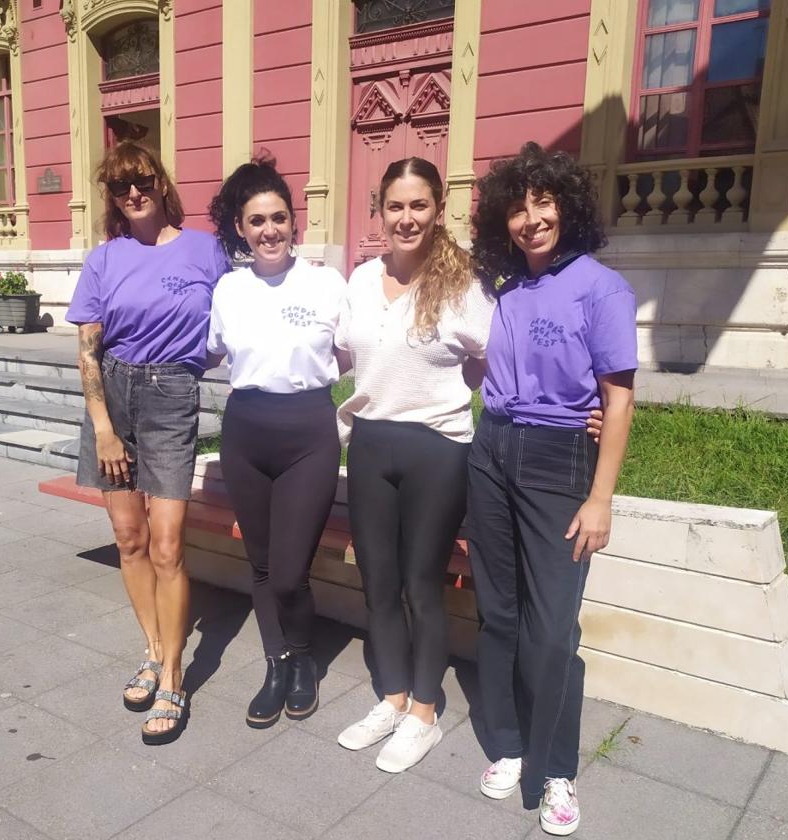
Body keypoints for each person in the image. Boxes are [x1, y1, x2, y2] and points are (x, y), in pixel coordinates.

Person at [467, 142, 637, 836]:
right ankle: (508, 745)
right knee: (500, 612)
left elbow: (619, 401)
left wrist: (600, 498)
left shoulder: (602, 287)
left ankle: (558, 767)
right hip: (493, 449)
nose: (531, 219)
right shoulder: (507, 291)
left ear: (566, 206)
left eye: (543, 203)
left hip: (559, 460)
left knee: (551, 628)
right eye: (517, 207)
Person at [333, 157, 496, 773]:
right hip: (371, 443)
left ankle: (424, 711)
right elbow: (344, 357)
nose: (406, 218)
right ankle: (392, 696)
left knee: (421, 586)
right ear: (380, 210)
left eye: (418, 206)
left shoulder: (463, 285)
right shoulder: (359, 280)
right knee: (377, 582)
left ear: (437, 210)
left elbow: (493, 364)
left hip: (438, 446)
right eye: (395, 206)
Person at [66, 141, 229, 746]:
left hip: (170, 397)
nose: (131, 192)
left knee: (166, 547)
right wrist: (104, 427)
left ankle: (174, 675)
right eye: (118, 186)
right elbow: (87, 348)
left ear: (161, 182)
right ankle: (155, 648)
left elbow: (232, 319)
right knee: (129, 540)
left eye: (140, 180)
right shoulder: (104, 259)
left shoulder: (205, 249)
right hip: (114, 396)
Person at [205, 158, 346, 728]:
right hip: (246, 430)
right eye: (257, 220)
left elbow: (364, 350)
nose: (269, 230)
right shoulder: (230, 289)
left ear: (295, 222)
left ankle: (305, 658)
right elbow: (210, 351)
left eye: (279, 218)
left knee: (290, 571)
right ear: (242, 227)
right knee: (261, 566)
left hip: (308, 430)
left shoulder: (325, 283)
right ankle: (277, 662)